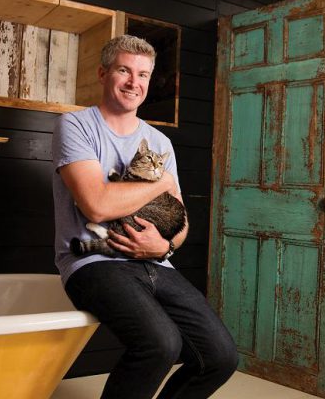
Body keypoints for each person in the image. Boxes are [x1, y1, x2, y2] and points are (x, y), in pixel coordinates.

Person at [51, 35, 238, 398]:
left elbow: (181, 223)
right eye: (124, 70)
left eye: (143, 74)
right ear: (104, 73)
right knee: (161, 345)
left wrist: (164, 244)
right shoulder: (76, 125)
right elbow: (98, 206)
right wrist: (161, 182)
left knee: (221, 356)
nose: (134, 82)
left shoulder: (160, 143)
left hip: (156, 262)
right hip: (92, 263)